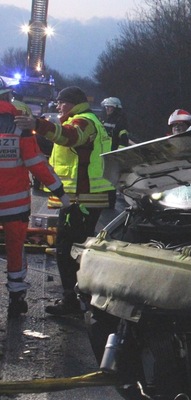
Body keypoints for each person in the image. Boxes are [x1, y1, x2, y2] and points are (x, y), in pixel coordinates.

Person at [15, 86, 115, 316]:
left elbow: (69, 137)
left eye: (61, 102)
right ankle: (81, 298)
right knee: (76, 249)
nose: (58, 106)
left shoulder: (83, 121)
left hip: (82, 198)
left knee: (67, 249)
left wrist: (38, 124)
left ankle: (74, 301)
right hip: (83, 198)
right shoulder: (87, 120)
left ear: (72, 103)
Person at [0, 78, 70, 318]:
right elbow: (36, 164)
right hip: (15, 205)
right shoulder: (20, 125)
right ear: (8, 97)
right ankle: (17, 298)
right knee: (15, 249)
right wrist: (60, 192)